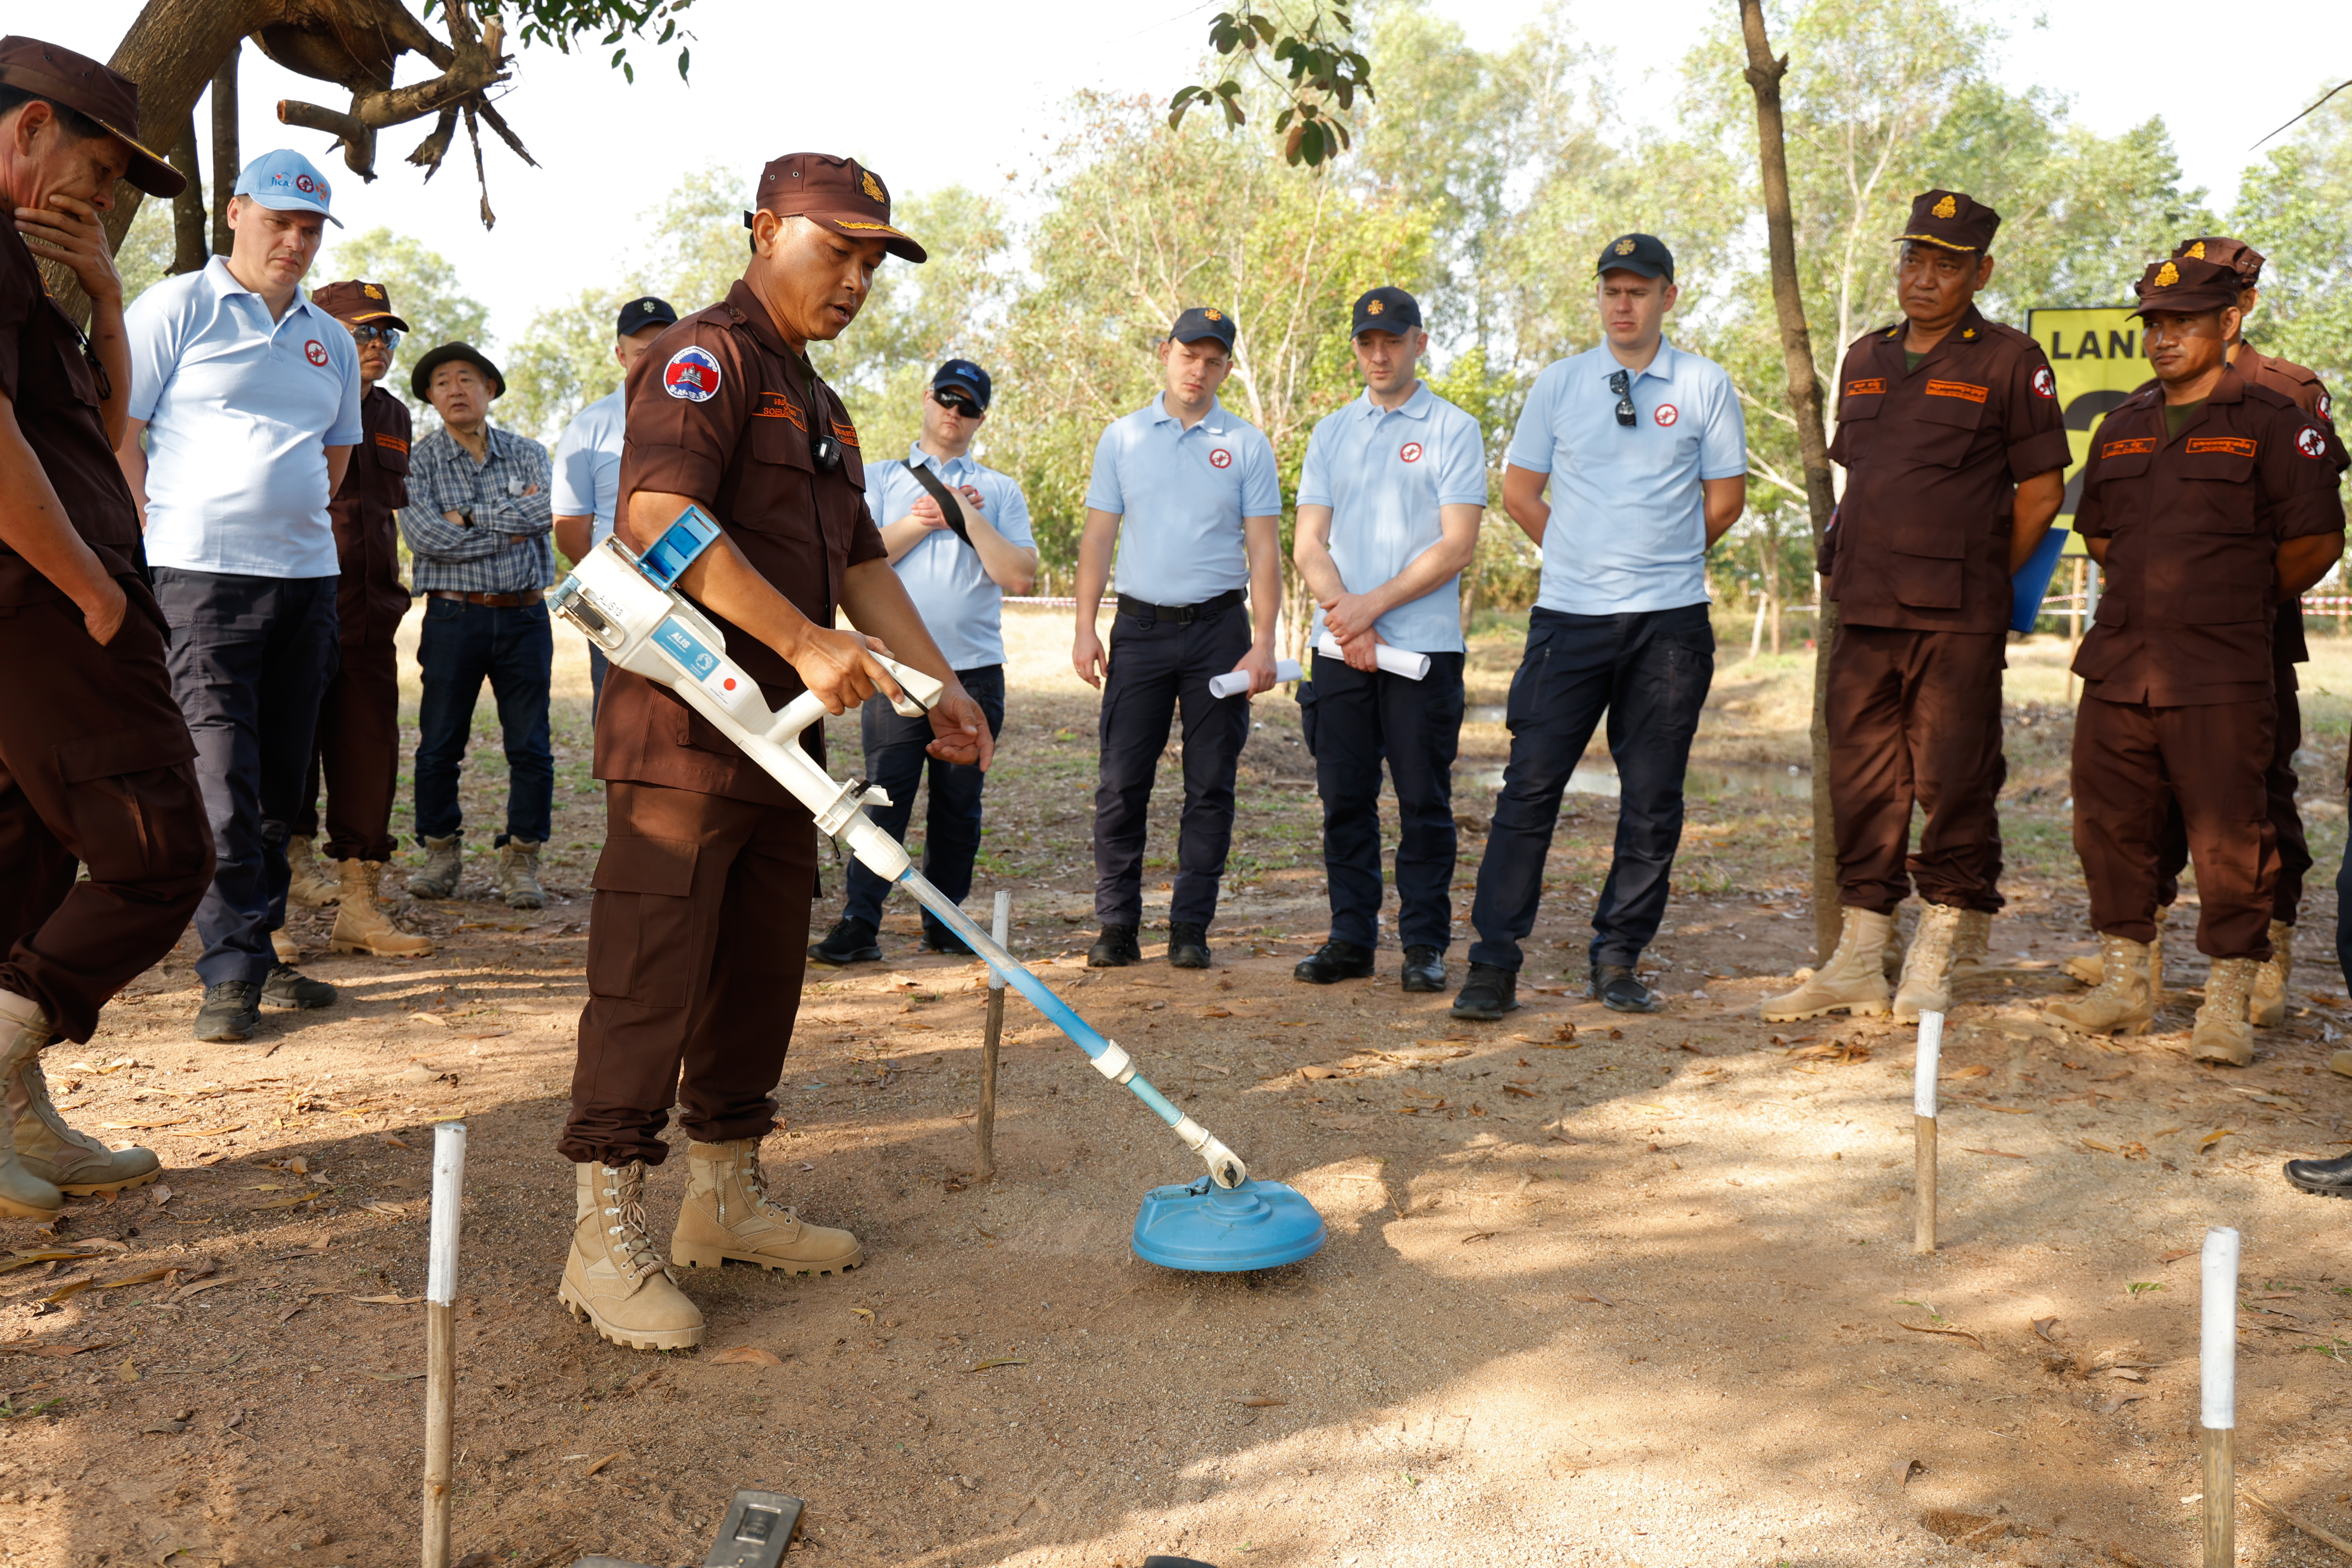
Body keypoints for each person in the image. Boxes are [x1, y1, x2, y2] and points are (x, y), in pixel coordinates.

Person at [557, 152, 993, 1353]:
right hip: (683, 733)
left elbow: (862, 566)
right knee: (652, 975)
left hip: (780, 749)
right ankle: (601, 1232)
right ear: (763, 231)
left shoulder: (824, 403)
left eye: (873, 260)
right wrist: (802, 639)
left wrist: (943, 691)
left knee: (760, 969)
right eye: (835, 249)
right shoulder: (703, 359)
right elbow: (653, 516)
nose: (854, 278)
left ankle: (723, 1196)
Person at [1762, 191, 2071, 1025]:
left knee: (1955, 778)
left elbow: (2041, 491)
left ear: (1981, 273)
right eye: (1913, 259)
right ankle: (1862, 954)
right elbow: (1866, 479)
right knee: (1863, 780)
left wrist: (1978, 574)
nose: (1923, 278)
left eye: (1945, 264)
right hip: (1863, 609)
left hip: (1955, 614)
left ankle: (1937, 950)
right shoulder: (1866, 356)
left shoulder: (2011, 359)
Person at [0, 37, 212, 1211]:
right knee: (159, 853)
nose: (108, 193)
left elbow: (100, 428)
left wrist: (111, 302)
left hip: (51, 601)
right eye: (97, 163)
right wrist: (90, 588)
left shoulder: (36, 271)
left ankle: (19, 1119)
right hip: (47, 606)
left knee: (21, 866)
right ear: (27, 129)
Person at [2041, 255, 2345, 1063]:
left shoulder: (2277, 418)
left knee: (2230, 836)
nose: (2164, 336)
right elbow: (2101, 532)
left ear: (2229, 323)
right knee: (2110, 823)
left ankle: (2227, 1003)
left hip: (2223, 666)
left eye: (2183, 321)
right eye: (2154, 322)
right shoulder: (2124, 420)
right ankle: (2125, 985)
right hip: (2121, 660)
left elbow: (2316, 541)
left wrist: (2233, 597)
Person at [1451, 235, 1746, 1022]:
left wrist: (1659, 562)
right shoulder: (1561, 384)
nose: (1624, 304)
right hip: (1569, 621)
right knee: (1529, 789)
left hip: (1670, 626)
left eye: (1640, 291)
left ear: (1669, 297)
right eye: (1612, 290)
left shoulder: (1705, 384)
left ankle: (1618, 955)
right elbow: (1520, 491)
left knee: (1652, 798)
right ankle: (1493, 960)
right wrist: (1586, 556)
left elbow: (1725, 500)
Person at [118, 147, 358, 1044]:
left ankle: (258, 951)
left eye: (309, 228)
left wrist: (283, 518)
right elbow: (121, 437)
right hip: (198, 582)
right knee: (219, 779)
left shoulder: (328, 337)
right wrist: (155, 536)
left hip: (305, 584)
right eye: (278, 221)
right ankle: (226, 975)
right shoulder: (174, 308)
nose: (293, 241)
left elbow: (334, 459)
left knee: (281, 789)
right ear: (235, 213)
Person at [1073, 307, 1282, 970]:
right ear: (1165, 353)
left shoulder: (1247, 444)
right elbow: (1099, 538)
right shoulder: (1123, 438)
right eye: (1189, 355)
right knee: (1121, 782)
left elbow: (1265, 549)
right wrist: (1084, 627)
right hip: (1139, 630)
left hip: (1221, 633)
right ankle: (1117, 926)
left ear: (1226, 367)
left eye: (1213, 360)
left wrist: (1266, 641)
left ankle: (1190, 926)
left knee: (1211, 783)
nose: (1199, 370)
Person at [1289, 287, 1485, 993]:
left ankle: (1425, 946)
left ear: (1419, 344)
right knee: (1344, 797)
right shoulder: (1331, 432)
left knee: (1423, 802)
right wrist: (1346, 614)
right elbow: (1308, 542)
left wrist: (1370, 609)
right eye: (1367, 342)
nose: (1379, 353)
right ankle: (1350, 938)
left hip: (1423, 650)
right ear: (1356, 348)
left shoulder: (1454, 430)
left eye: (1393, 341)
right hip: (1341, 647)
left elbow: (1456, 545)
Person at [810, 358, 1036, 965]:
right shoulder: (879, 478)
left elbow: (1016, 573)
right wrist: (924, 517)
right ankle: (860, 922)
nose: (953, 415)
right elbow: (860, 559)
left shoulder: (1001, 489)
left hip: (976, 671)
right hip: (897, 671)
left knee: (960, 805)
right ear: (927, 399)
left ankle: (948, 921)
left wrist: (969, 518)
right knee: (885, 796)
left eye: (967, 407)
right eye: (946, 400)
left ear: (981, 418)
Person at [279, 278, 432, 959]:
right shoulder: (288, 396)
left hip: (372, 618)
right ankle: (269, 913)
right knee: (279, 756)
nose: (378, 345)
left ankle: (361, 907)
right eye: (363, 332)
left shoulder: (395, 415)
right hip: (297, 607)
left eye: (388, 334)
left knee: (369, 756)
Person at [398, 341, 556, 910]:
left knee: (531, 747)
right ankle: (441, 853)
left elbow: (547, 515)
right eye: (442, 383)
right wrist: (508, 527)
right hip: (452, 616)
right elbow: (425, 538)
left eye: (467, 379)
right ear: (432, 399)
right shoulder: (417, 461)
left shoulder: (530, 453)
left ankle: (522, 859)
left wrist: (468, 517)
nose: (456, 390)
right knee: (439, 744)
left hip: (525, 617)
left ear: (490, 390)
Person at [552, 294, 679, 717]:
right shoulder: (589, 426)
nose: (654, 359)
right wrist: (614, 585)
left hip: (701, 598)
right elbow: (570, 526)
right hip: (619, 603)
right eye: (643, 351)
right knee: (619, 718)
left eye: (664, 347)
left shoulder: (714, 417)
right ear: (621, 355)